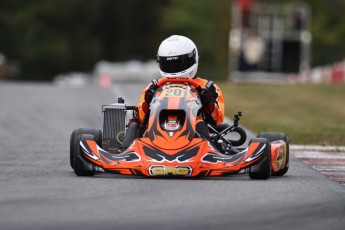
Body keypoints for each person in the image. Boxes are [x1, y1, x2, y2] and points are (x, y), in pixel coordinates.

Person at [137, 35, 224, 139]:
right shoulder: (154, 86)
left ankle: (205, 149)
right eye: (169, 65)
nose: (174, 69)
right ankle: (128, 148)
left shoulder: (207, 87)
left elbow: (217, 120)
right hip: (157, 127)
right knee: (136, 127)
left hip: (194, 130)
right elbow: (141, 118)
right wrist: (147, 102)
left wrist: (207, 102)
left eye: (179, 64)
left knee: (200, 124)